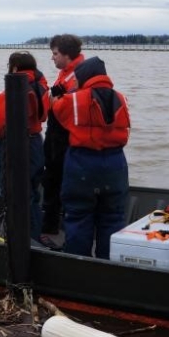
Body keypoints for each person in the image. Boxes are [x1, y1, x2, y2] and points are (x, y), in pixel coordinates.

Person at [51, 56, 130, 259]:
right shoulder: (121, 98)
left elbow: (57, 110)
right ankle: (108, 265)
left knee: (78, 216)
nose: (75, 82)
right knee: (113, 217)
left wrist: (58, 97)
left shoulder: (73, 100)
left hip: (83, 163)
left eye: (77, 79)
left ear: (86, 77)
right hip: (115, 163)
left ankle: (79, 266)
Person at [0, 51, 50, 242]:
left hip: (14, 147)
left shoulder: (9, 94)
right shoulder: (42, 88)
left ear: (14, 68)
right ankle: (34, 235)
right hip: (35, 143)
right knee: (31, 193)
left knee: (13, 194)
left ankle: (18, 240)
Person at [41, 34, 85, 235]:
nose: (53, 58)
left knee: (57, 182)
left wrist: (53, 100)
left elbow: (68, 108)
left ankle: (54, 227)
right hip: (55, 134)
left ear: (67, 54)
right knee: (51, 180)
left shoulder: (78, 75)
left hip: (65, 137)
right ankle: (52, 224)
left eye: (55, 54)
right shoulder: (67, 73)